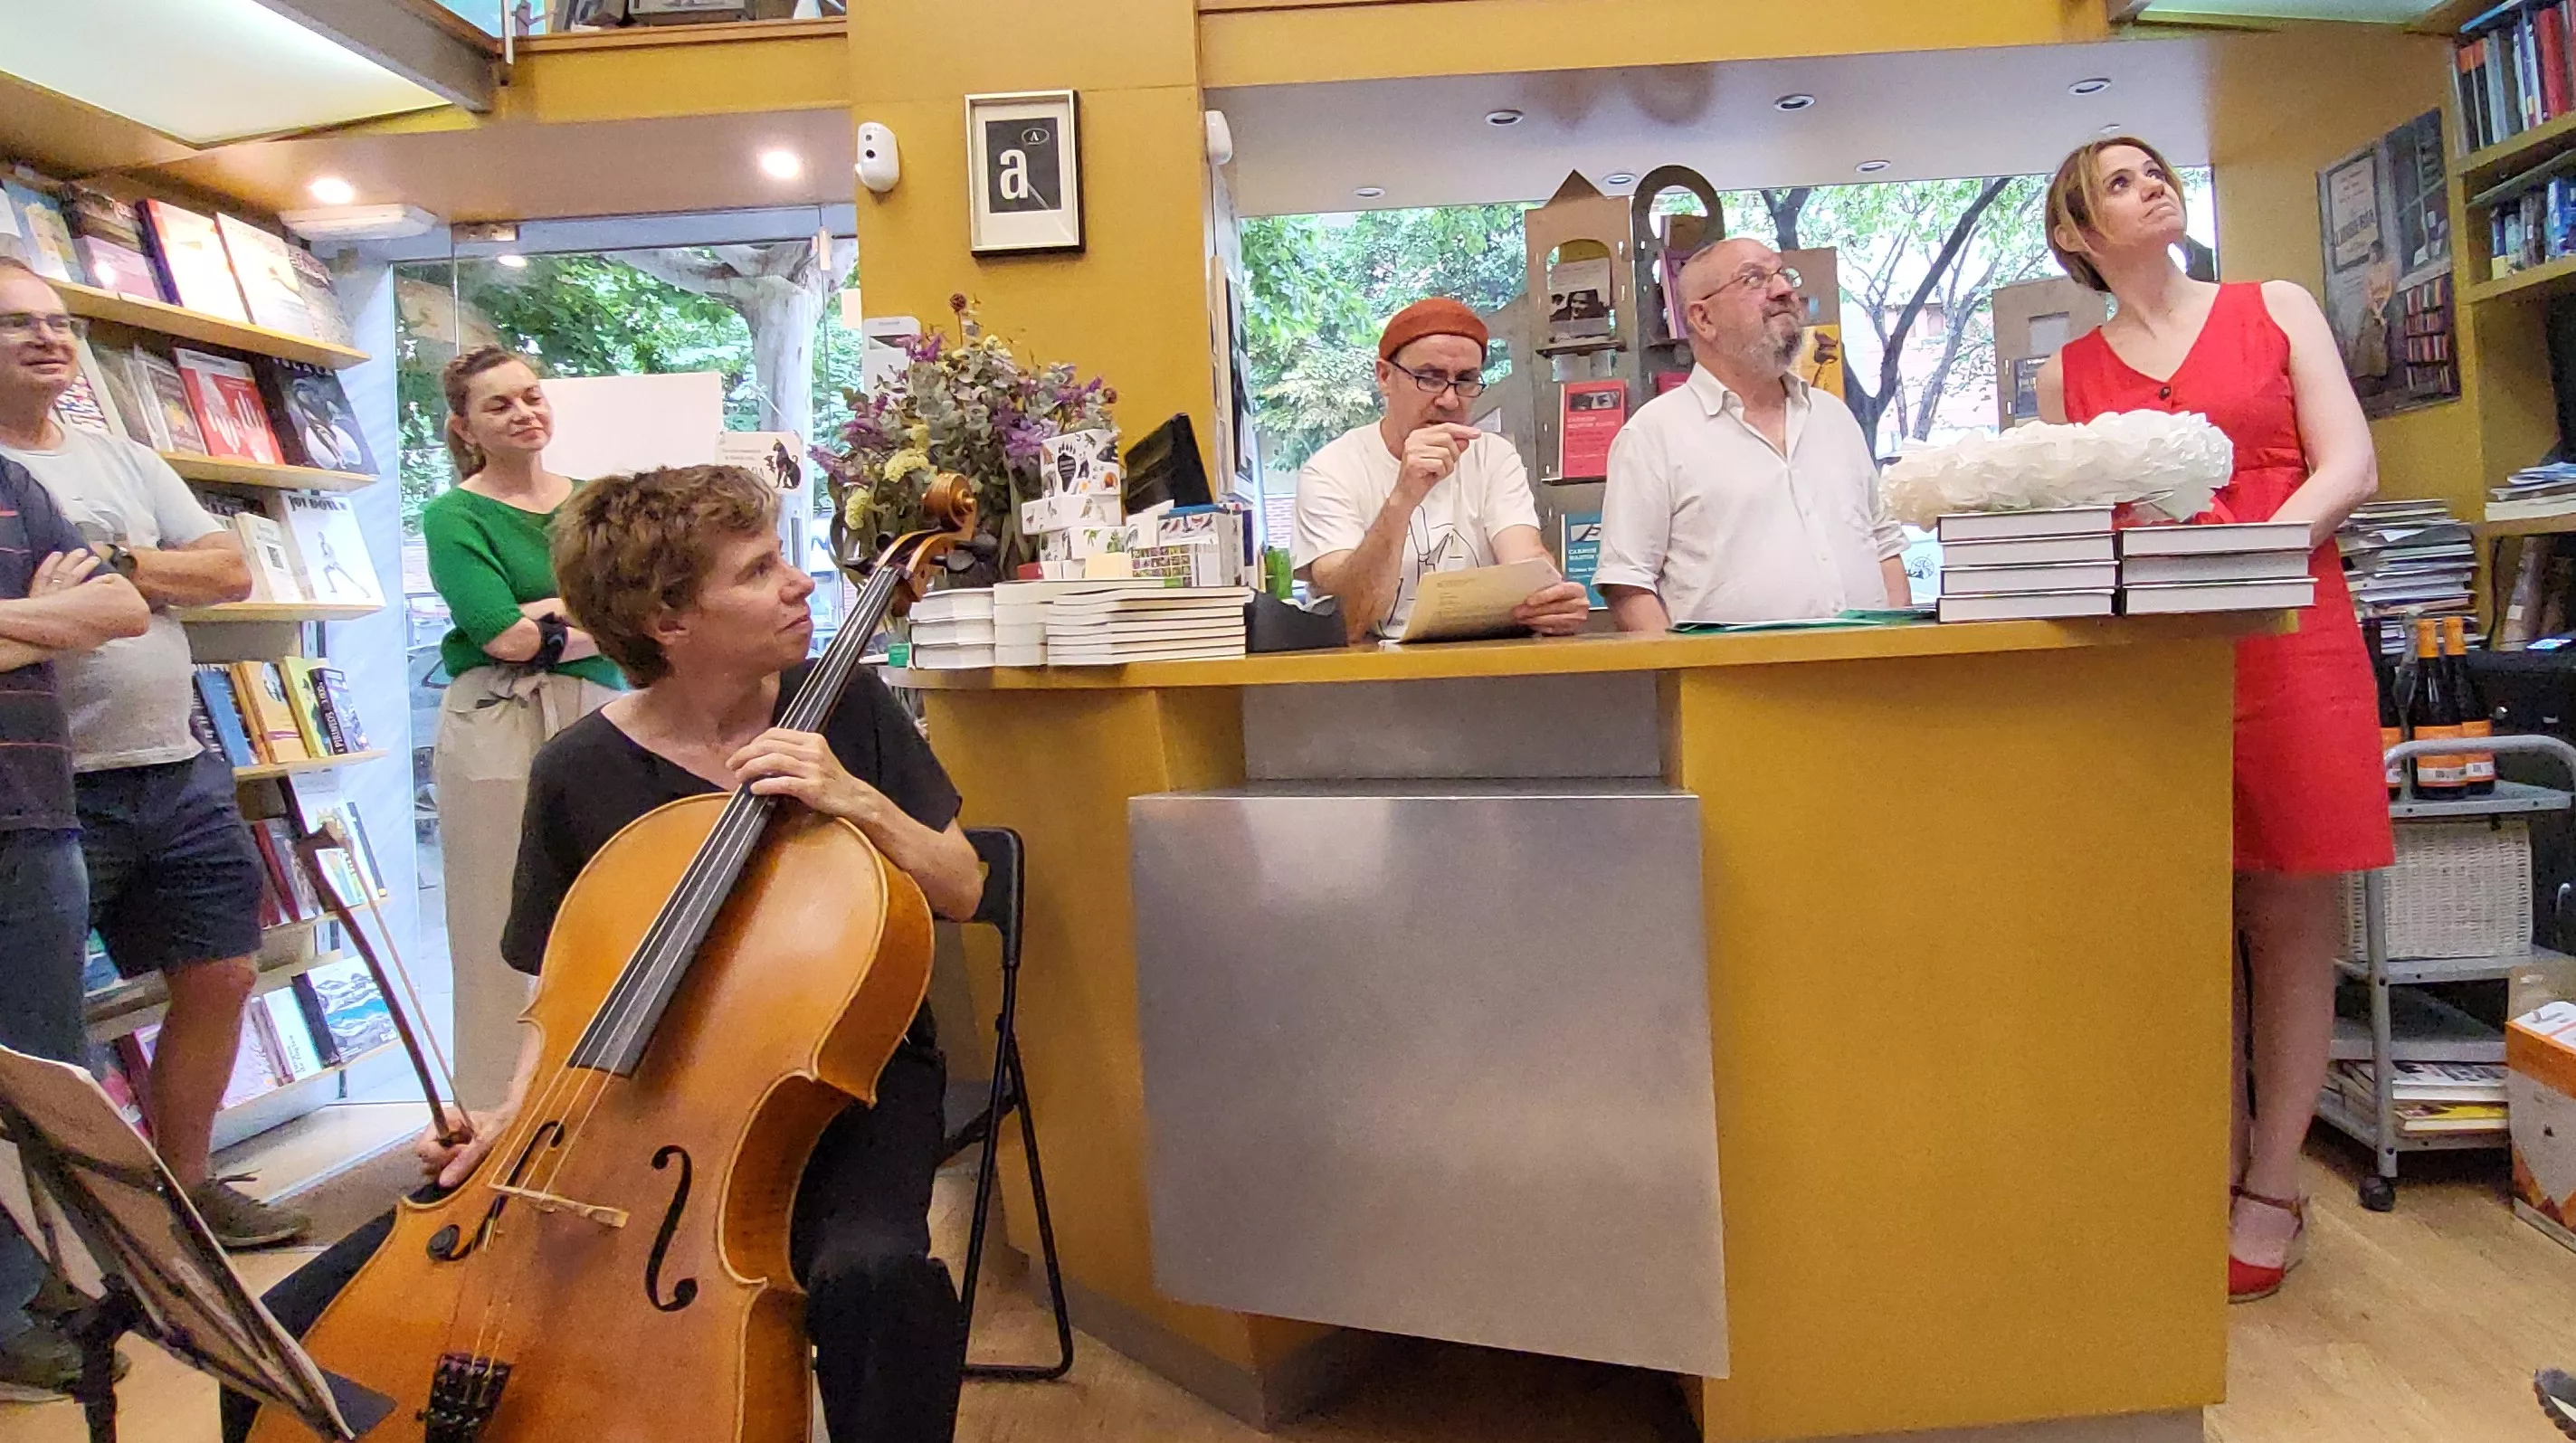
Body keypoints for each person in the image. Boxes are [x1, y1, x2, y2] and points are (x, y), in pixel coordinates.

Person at [223, 463, 984, 1443]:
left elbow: (962, 886)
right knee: (281, 1328)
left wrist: (858, 798)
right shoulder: (577, 770)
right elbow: (561, 987)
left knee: (872, 1276)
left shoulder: (849, 708)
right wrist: (511, 1113)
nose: (798, 582)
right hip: (625, 1100)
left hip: (844, 1087)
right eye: (758, 570)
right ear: (668, 619)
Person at [2036, 136, 2392, 1303]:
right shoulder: (2066, 376)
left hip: (2292, 636)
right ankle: (2212, 1155)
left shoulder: (2275, 305)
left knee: (2292, 912)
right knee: (2187, 912)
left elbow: (2351, 463)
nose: (2155, 186)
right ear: (2078, 234)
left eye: (2157, 170)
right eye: (2122, 182)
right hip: (2156, 667)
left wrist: (2253, 554)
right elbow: (2075, 530)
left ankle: (2274, 1181)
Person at [0, 259, 310, 1251]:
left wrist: (118, 568)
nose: (50, 338)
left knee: (221, 974)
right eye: (18, 325)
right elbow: (103, 614)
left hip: (174, 767)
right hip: (48, 792)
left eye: (58, 322)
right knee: (38, 1034)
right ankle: (62, 1235)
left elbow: (225, 565)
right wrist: (68, 610)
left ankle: (185, 1188)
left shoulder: (121, 459)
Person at [419, 347, 623, 1110]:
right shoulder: (452, 514)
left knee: (611, 900)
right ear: (464, 426)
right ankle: (492, 1107)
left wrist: (546, 618)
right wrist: (583, 614)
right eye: (498, 404)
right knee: (497, 914)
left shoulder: (598, 500)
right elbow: (498, 634)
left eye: (531, 396)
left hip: (603, 710)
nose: (522, 413)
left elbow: (638, 608)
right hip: (497, 718)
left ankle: (601, 1098)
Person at [0, 448, 147, 1397]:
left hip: (33, 810)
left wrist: (60, 616)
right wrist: (45, 620)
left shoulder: (13, 483)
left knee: (53, 1075)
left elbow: (120, 610)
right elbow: (79, 618)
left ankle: (25, 1277)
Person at [1594, 239, 1911, 630]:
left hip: (1871, 676)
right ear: (1703, 319)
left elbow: (1885, 545)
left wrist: (1896, 650)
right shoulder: (1654, 434)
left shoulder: (1835, 418)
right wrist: (1684, 677)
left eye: (1782, 274)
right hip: (1728, 686)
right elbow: (1629, 583)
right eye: (1754, 279)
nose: (1782, 290)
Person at [1292, 298, 1591, 641]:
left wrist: (1552, 600)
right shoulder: (1331, 470)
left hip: (1485, 669)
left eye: (1465, 381)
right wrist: (1403, 497)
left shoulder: (1493, 456)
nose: (1449, 400)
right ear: (1385, 377)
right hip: (1371, 679)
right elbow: (1346, 620)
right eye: (1430, 379)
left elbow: (1525, 557)